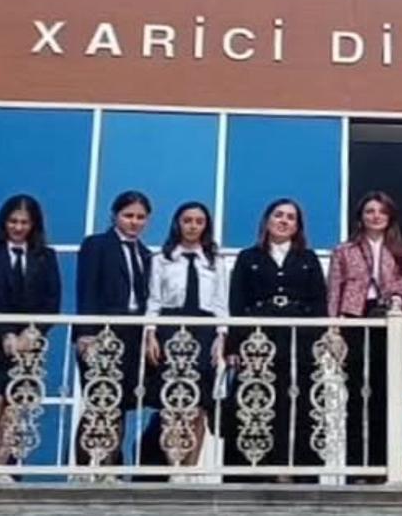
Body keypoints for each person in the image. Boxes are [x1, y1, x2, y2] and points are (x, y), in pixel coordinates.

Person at [226, 198, 328, 481]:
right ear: (267, 221)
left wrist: (318, 341)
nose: (284, 221)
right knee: (256, 401)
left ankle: (294, 469)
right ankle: (252, 471)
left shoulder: (307, 259)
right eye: (279, 215)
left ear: (297, 226)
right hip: (258, 340)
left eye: (290, 217)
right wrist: (233, 345)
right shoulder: (249, 257)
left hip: (298, 340)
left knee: (296, 401)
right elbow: (237, 302)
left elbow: (319, 302)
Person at [326, 191, 402, 480]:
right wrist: (333, 329)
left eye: (381, 211)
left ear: (390, 217)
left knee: (391, 393)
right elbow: (334, 291)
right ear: (361, 216)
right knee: (357, 394)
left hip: (393, 321)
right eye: (370, 211)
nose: (376, 216)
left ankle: (391, 465)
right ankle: (358, 466)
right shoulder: (344, 251)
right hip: (355, 320)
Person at [0, 194, 61, 483]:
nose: (18, 227)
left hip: (30, 344)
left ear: (34, 225)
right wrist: (7, 333)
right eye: (13, 221)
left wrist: (31, 333)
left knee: (17, 403)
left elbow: (52, 302)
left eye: (24, 222)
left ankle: (1, 466)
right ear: (4, 222)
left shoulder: (45, 256)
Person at [143, 201, 229, 480]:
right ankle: (173, 466)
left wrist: (221, 337)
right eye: (187, 220)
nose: (193, 226)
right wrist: (150, 333)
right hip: (171, 327)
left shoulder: (215, 261)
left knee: (199, 403)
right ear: (178, 223)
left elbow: (221, 302)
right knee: (173, 401)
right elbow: (154, 299)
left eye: (199, 222)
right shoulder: (162, 259)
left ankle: (189, 470)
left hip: (204, 329)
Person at [73, 190, 154, 470]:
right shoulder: (97, 245)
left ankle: (111, 465)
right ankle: (86, 465)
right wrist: (86, 332)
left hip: (132, 335)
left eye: (140, 217)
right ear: (115, 216)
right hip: (101, 333)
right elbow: (87, 289)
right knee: (100, 400)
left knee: (122, 403)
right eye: (128, 215)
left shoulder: (145, 254)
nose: (134, 222)